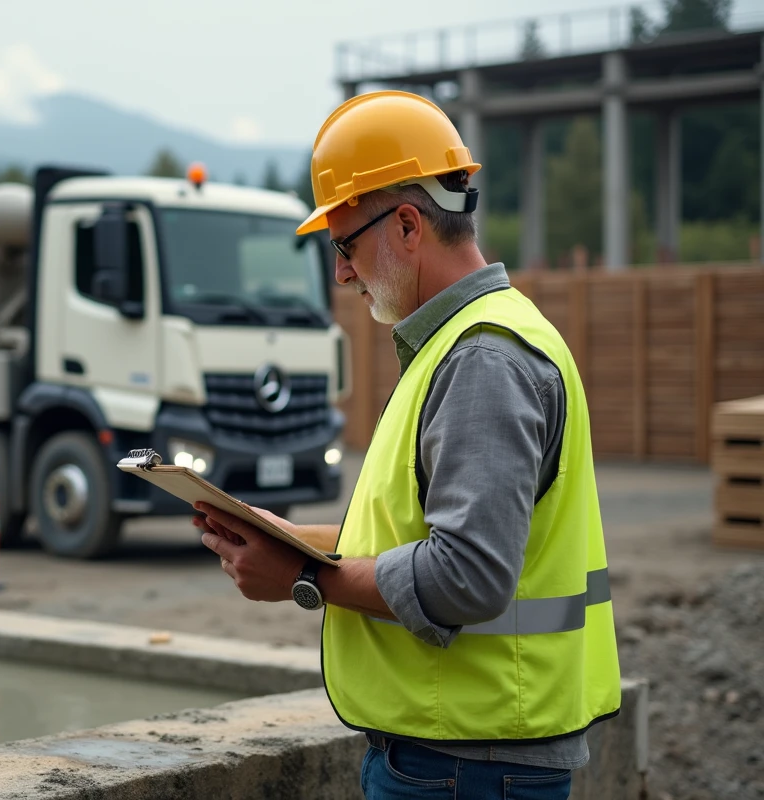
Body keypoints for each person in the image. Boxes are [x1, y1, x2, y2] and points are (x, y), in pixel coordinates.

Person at [195, 90, 620, 799]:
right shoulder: (468, 342)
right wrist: (289, 537)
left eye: (345, 245)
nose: (341, 273)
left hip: (469, 766)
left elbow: (467, 576)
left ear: (408, 225)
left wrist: (304, 580)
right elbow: (419, 531)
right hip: (464, 756)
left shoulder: (484, 359)